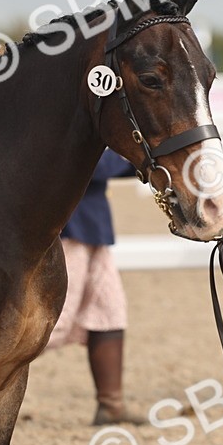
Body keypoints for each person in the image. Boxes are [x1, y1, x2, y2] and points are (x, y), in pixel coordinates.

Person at [45, 148, 143, 426]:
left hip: (91, 225)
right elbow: (87, 160)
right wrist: (133, 156)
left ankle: (111, 405)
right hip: (68, 226)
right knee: (55, 321)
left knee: (110, 312)